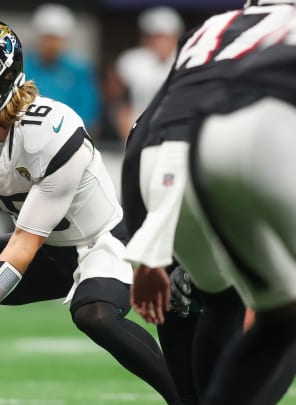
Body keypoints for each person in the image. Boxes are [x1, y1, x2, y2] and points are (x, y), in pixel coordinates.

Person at [0, 17, 180, 404]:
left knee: (95, 315)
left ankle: (186, 396)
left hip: (100, 240)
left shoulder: (49, 129)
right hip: (44, 250)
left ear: (1, 74)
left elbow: (26, 242)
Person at [123, 2, 296, 404]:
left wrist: (149, 248)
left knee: (228, 302)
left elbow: (149, 129)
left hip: (176, 152)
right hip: (264, 131)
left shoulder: (213, 27)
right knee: (281, 315)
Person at [24, 3, 100, 132]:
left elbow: (88, 110)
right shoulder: (22, 67)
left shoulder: (80, 69)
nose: (51, 45)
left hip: (69, 135)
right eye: (47, 38)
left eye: (56, 39)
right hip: (25, 132)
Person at [114, 6, 183, 139]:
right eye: (155, 37)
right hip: (138, 134)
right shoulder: (131, 61)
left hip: (176, 134)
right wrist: (129, 136)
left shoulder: (187, 59)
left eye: (165, 37)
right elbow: (119, 104)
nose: (160, 42)